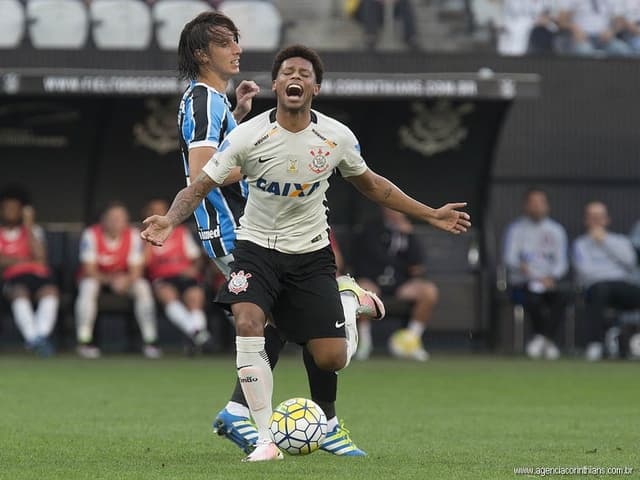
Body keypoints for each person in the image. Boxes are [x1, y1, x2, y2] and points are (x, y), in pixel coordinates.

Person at [142, 43, 471, 461]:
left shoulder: (335, 137)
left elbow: (373, 185)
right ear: (276, 84)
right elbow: (199, 185)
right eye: (287, 72)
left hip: (311, 255)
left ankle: (348, 302)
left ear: (315, 88)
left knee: (331, 358)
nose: (295, 77)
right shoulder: (248, 135)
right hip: (256, 249)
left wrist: (430, 214)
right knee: (248, 322)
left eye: (304, 73)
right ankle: (265, 441)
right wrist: (170, 220)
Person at [174, 12, 382, 459]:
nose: (238, 50)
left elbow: (219, 149)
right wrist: (259, 149)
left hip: (239, 225)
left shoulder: (212, 101)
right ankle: (277, 416)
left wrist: (240, 119)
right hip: (239, 227)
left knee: (273, 321)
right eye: (227, 42)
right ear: (201, 53)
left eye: (237, 41)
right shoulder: (204, 101)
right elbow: (203, 172)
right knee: (277, 316)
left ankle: (248, 413)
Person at [75, 202, 161, 359]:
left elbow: (136, 271)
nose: (117, 222)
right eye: (113, 218)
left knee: (142, 287)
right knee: (88, 287)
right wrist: (110, 281)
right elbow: (89, 270)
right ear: (103, 220)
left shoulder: (134, 235)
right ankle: (84, 341)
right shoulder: (91, 234)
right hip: (98, 280)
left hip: (124, 280)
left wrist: (125, 281)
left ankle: (150, 341)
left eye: (120, 218)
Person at [351, 207, 439, 361]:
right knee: (362, 291)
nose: (395, 212)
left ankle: (411, 342)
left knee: (429, 292)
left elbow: (419, 263)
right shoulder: (372, 228)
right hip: (373, 281)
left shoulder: (407, 231)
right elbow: (376, 256)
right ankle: (364, 343)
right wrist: (405, 266)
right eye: (390, 208)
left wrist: (410, 236)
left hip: (400, 284)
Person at [502, 188, 568, 360]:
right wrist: (527, 271)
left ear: (547, 206)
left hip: (549, 283)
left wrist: (551, 277)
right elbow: (509, 258)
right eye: (533, 203)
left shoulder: (556, 230)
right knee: (532, 297)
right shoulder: (516, 229)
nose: (537, 207)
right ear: (526, 206)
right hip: (523, 282)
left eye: (540, 203)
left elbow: (562, 262)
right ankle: (546, 340)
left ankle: (543, 339)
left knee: (562, 297)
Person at [572, 201, 640, 361]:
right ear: (586, 220)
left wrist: (604, 241)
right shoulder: (580, 244)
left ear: (607, 219)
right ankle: (595, 344)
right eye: (592, 217)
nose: (596, 220)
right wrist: (608, 272)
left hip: (623, 286)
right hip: (595, 287)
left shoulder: (620, 241)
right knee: (600, 290)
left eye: (599, 217)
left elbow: (631, 262)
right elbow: (584, 271)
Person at [143, 199, 212, 353]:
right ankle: (198, 334)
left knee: (195, 295)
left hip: (183, 274)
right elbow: (144, 263)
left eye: (162, 210)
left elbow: (196, 257)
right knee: (168, 294)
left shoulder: (181, 232)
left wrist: (194, 269)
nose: (158, 214)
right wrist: (148, 239)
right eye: (154, 211)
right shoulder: (143, 235)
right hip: (162, 277)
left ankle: (196, 335)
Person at [0, 186, 58, 356]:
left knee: (50, 291)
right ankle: (33, 339)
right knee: (20, 292)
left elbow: (40, 257)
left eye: (14, 208)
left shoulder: (34, 230)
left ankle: (40, 336)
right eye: (6, 208)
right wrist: (21, 259)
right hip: (12, 279)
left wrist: (29, 225)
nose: (10, 212)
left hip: (36, 275)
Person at [555, 0, 633, 56]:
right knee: (586, 53)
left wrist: (611, 31)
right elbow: (561, 21)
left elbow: (619, 20)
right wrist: (574, 28)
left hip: (604, 38)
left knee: (623, 51)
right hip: (581, 38)